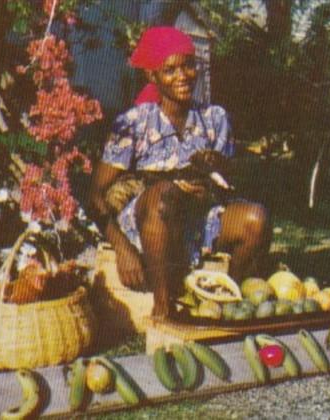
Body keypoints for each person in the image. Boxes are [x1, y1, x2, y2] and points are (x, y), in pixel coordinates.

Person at [89, 27, 270, 319]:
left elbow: (228, 187)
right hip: (149, 228)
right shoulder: (135, 123)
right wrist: (121, 248)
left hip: (197, 222)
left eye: (188, 65)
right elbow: (95, 195)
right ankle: (163, 307)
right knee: (164, 194)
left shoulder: (214, 118)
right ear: (153, 76)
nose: (182, 76)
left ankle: (228, 302)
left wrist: (217, 172)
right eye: (169, 70)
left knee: (255, 219)